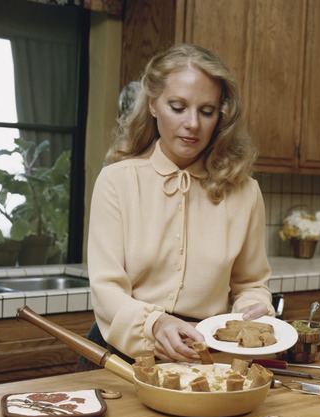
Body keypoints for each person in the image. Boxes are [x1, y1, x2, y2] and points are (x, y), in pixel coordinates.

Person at [87, 44, 275, 364]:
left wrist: (252, 306)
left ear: (221, 116)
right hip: (123, 351)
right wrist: (155, 323)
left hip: (206, 351)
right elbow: (107, 289)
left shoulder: (245, 192)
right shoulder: (116, 181)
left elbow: (250, 283)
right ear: (153, 105)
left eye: (206, 111)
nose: (192, 124)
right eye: (178, 107)